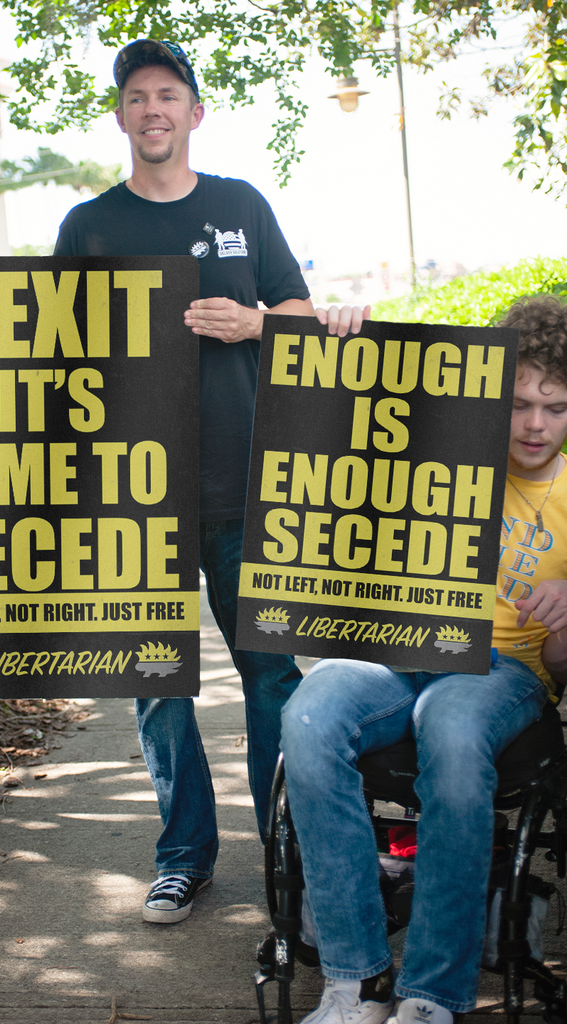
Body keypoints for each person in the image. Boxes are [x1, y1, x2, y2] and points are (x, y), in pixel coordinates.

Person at [0, 38, 367, 925]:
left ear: (195, 112)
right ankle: (182, 857)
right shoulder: (88, 225)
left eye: (168, 94)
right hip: (132, 500)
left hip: (242, 489)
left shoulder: (241, 205)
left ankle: (289, 850)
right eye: (137, 95)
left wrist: (253, 323)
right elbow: (40, 349)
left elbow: (298, 313)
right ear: (120, 114)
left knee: (273, 682)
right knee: (154, 688)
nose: (153, 108)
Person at [280, 295, 567, 1024]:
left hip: (500, 670)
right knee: (309, 712)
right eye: (518, 402)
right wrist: (340, 337)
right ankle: (357, 978)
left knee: (450, 725)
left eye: (556, 407)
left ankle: (432, 992)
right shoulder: (436, 448)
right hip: (397, 648)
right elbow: (351, 415)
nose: (534, 424)